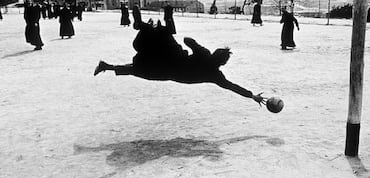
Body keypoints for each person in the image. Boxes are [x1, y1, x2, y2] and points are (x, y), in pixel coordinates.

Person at [93, 20, 266, 106]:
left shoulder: (204, 55)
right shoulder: (216, 75)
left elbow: (187, 39)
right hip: (170, 70)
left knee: (141, 64)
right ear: (223, 64)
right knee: (139, 69)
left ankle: (152, 28)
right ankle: (107, 65)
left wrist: (197, 47)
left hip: (172, 60)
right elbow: (232, 86)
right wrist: (251, 96)